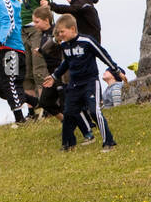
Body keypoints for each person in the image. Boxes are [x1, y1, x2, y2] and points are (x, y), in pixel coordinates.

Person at [42, 15, 127, 152]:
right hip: (74, 84)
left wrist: (116, 70)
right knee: (69, 112)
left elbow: (103, 54)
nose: (60, 35)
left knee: (94, 111)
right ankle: (68, 144)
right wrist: (54, 76)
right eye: (58, 33)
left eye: (62, 32)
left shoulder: (86, 41)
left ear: (72, 29)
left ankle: (108, 142)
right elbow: (67, 63)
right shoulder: (64, 45)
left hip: (90, 82)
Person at [16, 0, 53, 105]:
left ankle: (47, 105)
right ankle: (32, 108)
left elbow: (47, 8)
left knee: (39, 67)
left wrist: (48, 30)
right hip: (22, 30)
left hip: (35, 30)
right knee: (26, 70)